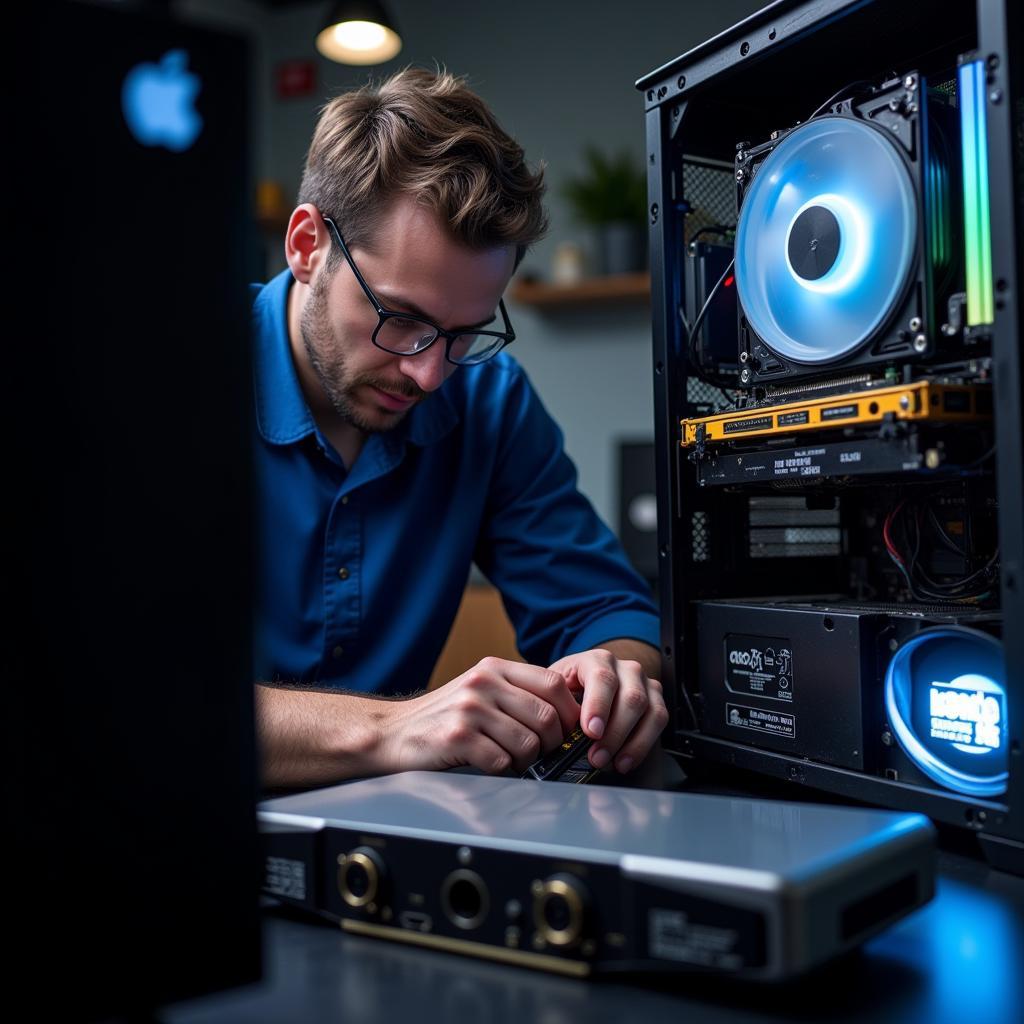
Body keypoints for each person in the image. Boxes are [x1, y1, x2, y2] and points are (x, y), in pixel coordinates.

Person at [253, 67, 665, 788]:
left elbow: (605, 609)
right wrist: (387, 730)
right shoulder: (164, 374)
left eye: (466, 333)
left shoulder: (489, 402)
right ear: (306, 245)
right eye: (401, 319)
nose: (431, 376)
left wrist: (614, 676)